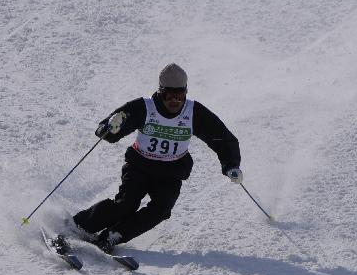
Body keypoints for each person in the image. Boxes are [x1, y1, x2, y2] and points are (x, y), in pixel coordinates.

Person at [70, 63, 243, 254]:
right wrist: (110, 128)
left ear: (186, 92)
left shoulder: (194, 112)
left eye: (180, 95)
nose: (175, 100)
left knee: (161, 210)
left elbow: (222, 138)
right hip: (140, 166)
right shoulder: (144, 107)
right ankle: (79, 225)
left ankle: (112, 236)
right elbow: (107, 131)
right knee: (126, 205)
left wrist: (231, 165)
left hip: (171, 172)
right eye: (169, 95)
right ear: (161, 92)